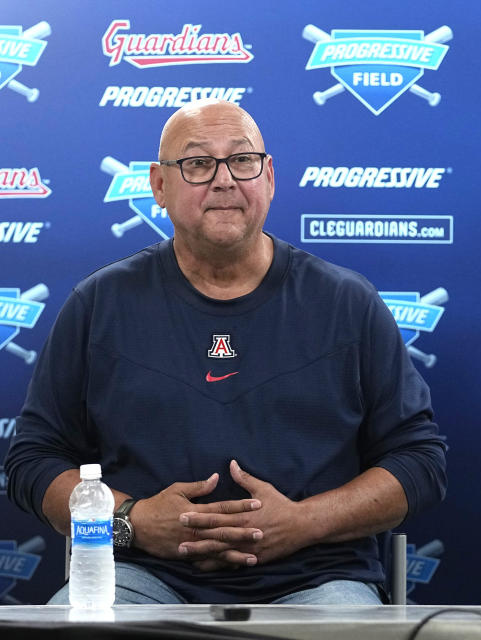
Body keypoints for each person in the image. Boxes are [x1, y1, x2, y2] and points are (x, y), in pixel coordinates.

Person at [4, 99, 447, 605]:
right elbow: (34, 460)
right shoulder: (100, 304)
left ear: (270, 177)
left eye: (242, 160)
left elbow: (419, 460)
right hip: (140, 578)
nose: (224, 180)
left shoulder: (346, 302)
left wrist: (304, 522)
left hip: (318, 579)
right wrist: (134, 522)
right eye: (197, 164)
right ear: (158, 186)